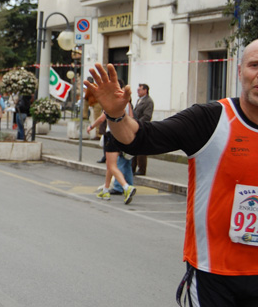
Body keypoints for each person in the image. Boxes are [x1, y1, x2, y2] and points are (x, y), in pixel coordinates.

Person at [84, 41, 258, 307]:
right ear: (239, 71)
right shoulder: (211, 119)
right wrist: (116, 115)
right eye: (254, 66)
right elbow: (142, 138)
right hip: (215, 276)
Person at [86, 80, 136, 204]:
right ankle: (106, 189)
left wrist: (91, 126)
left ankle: (126, 187)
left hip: (111, 134)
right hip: (123, 134)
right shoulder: (127, 102)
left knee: (112, 165)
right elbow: (132, 118)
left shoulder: (112, 100)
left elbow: (102, 117)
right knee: (111, 163)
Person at [131, 83, 154, 176]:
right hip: (136, 126)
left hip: (142, 126)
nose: (138, 91)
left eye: (139, 89)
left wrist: (137, 123)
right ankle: (132, 167)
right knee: (134, 148)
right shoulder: (139, 100)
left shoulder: (148, 101)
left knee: (141, 149)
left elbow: (147, 116)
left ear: (145, 90)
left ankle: (141, 169)